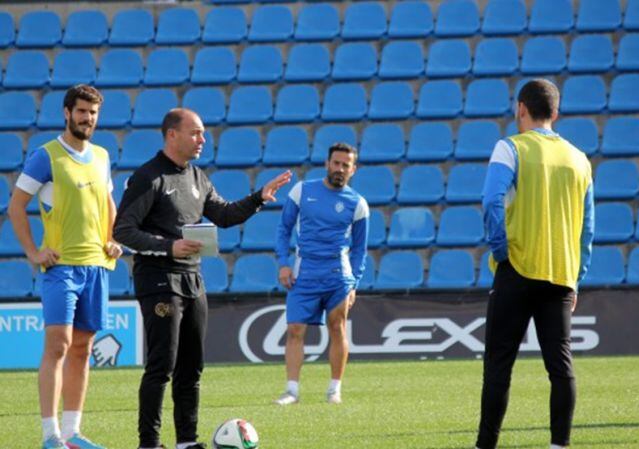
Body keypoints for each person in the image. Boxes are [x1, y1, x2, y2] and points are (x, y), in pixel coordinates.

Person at [113, 108, 291, 449]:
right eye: (195, 133)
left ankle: (186, 442)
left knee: (192, 368)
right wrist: (169, 246)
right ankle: (148, 443)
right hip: (159, 279)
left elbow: (223, 214)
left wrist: (259, 198)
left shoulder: (197, 177)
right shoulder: (149, 177)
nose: (202, 139)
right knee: (161, 365)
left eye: (203, 133)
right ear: (172, 135)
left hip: (193, 279)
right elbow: (122, 230)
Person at [475, 79, 594, 449]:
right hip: (560, 273)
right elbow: (588, 227)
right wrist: (577, 275)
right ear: (555, 113)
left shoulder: (510, 147)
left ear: (520, 108)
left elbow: (491, 201)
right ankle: (559, 445)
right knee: (560, 367)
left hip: (518, 266)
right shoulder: (579, 158)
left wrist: (500, 251)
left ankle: (486, 445)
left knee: (499, 365)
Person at [8, 84, 121, 449]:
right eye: (82, 111)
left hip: (97, 266)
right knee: (58, 346)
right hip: (62, 268)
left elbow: (108, 203)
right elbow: (15, 206)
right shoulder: (47, 156)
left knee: (83, 349)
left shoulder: (102, 156)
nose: (87, 118)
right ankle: (50, 435)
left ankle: (73, 433)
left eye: (93, 113)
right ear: (67, 112)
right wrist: (32, 251)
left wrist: (112, 239)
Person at [273, 143, 369, 406]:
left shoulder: (358, 203)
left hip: (338, 276)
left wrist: (354, 283)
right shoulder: (302, 190)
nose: (339, 169)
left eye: (345, 165)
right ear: (327, 164)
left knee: (337, 327)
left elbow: (360, 249)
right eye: (336, 163)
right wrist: (283, 263)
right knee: (295, 329)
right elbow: (283, 229)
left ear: (353, 169)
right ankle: (291, 391)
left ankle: (334, 389)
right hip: (304, 273)